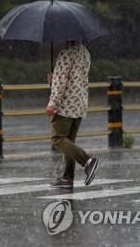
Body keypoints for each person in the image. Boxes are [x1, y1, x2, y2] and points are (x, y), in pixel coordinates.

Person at [46, 41, 99, 188]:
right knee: (69, 140)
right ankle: (67, 178)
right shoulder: (84, 51)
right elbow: (74, 78)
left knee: (58, 138)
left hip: (65, 104)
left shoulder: (66, 53)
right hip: (79, 103)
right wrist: (54, 77)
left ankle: (87, 161)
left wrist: (52, 102)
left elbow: (61, 82)